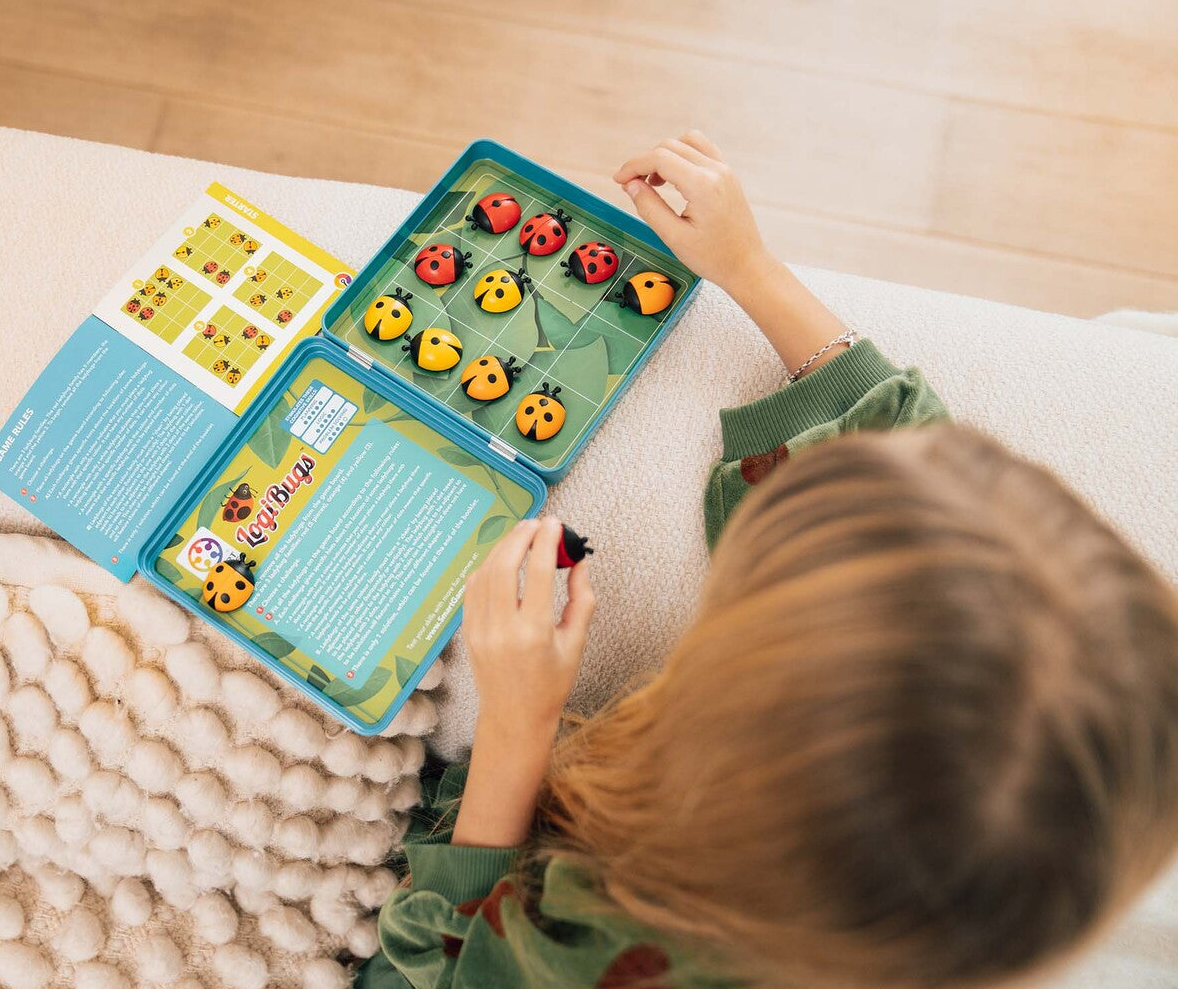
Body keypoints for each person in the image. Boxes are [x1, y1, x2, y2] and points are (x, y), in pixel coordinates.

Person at [356, 132, 1178, 989]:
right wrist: (748, 266)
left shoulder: (612, 952)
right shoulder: (1098, 726)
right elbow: (905, 454)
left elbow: (432, 969)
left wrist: (516, 727)